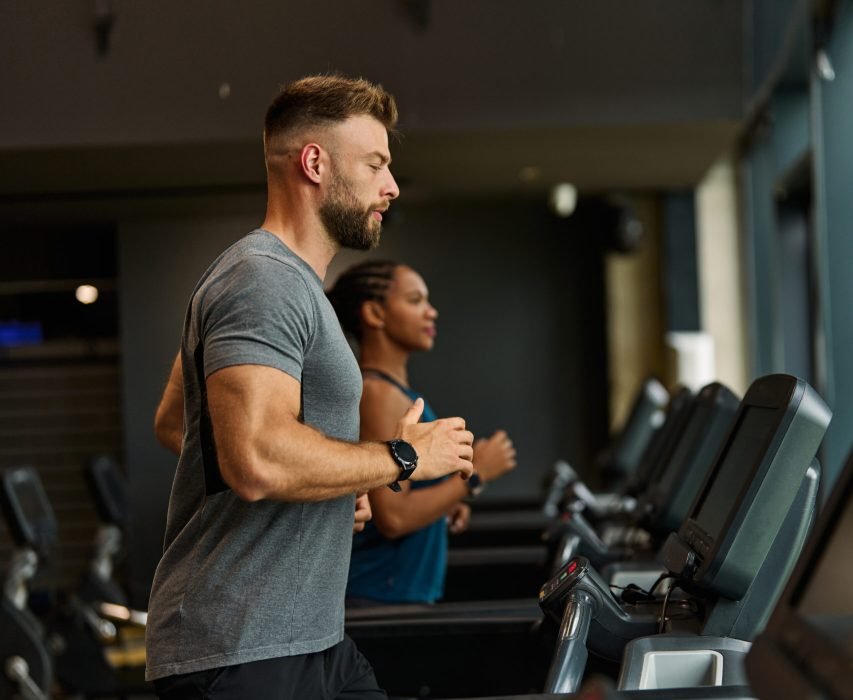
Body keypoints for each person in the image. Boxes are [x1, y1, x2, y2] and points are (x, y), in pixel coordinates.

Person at [146, 75, 475, 700]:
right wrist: (402, 458)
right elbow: (257, 456)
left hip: (310, 637)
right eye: (376, 163)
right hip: (243, 644)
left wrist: (327, 487)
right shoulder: (262, 282)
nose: (392, 186)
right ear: (315, 162)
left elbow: (179, 425)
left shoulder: (290, 285)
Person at [327, 260, 517, 605]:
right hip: (378, 596)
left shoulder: (393, 392)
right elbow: (394, 517)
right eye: (415, 300)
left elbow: (401, 489)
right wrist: (476, 478)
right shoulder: (379, 394)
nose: (431, 312)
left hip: (396, 594)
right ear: (375, 313)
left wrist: (445, 498)